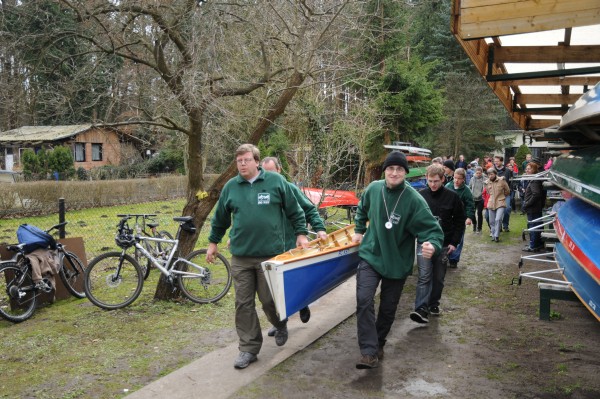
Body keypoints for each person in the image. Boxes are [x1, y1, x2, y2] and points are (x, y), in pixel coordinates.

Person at [206, 144, 310, 369]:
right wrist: (213, 243)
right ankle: (248, 348)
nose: (242, 164)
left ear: (256, 161)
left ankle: (280, 324)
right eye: (238, 161)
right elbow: (220, 218)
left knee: (268, 301)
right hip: (241, 257)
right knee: (243, 304)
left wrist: (301, 234)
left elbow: (295, 210)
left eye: (245, 160)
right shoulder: (231, 188)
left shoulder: (276, 182)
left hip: (269, 257)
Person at [351, 151, 443, 369]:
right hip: (371, 255)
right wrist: (358, 229)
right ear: (385, 171)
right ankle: (368, 351)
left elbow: (433, 230)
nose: (394, 173)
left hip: (397, 262)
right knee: (364, 300)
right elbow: (362, 208)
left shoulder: (413, 199)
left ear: (405, 172)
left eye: (399, 169)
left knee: (388, 309)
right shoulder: (374, 189)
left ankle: (379, 342)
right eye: (390, 168)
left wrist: (432, 244)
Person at [261, 156, 328, 334]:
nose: (268, 176)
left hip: (291, 242)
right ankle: (280, 322)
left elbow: (309, 209)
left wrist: (319, 228)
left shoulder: (289, 188)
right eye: (264, 172)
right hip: (270, 246)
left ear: (279, 170)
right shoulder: (261, 193)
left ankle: (302, 303)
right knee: (273, 288)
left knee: (294, 281)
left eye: (271, 172)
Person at [411, 164, 465, 324]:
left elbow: (459, 221)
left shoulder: (452, 197)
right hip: (424, 242)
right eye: (430, 181)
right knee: (424, 276)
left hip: (444, 244)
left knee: (438, 277)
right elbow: (414, 219)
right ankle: (420, 308)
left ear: (443, 179)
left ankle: (434, 303)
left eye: (436, 181)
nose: (433, 184)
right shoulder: (420, 196)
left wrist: (454, 243)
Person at [445, 168, 474, 268]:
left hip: (460, 218)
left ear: (463, 179)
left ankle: (454, 259)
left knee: (459, 238)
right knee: (447, 236)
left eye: (459, 178)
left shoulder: (466, 191)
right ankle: (446, 255)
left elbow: (470, 205)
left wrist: (469, 217)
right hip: (448, 218)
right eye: (455, 178)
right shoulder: (448, 186)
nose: (456, 180)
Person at [522, 162, 545, 252]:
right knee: (537, 225)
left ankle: (533, 245)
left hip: (533, 208)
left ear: (534, 170)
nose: (527, 170)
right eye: (526, 169)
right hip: (535, 207)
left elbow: (536, 194)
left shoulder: (534, 180)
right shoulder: (533, 179)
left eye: (529, 169)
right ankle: (537, 244)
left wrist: (527, 203)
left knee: (533, 226)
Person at [485, 168, 510, 242]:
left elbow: (507, 190)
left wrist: (502, 196)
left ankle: (496, 235)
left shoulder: (501, 180)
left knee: (498, 219)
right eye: (489, 174)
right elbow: (488, 192)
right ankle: (493, 234)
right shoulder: (487, 182)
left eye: (491, 174)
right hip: (491, 202)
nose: (490, 176)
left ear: (495, 174)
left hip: (500, 202)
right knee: (491, 221)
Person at [494, 155, 513, 232]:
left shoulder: (508, 171)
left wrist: (510, 191)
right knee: (496, 210)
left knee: (507, 209)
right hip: (496, 194)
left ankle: (505, 225)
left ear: (501, 161)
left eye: (497, 161)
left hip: (506, 194)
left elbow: (511, 182)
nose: (495, 163)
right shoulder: (492, 170)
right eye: (494, 161)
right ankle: (498, 226)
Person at [469, 166, 485, 233]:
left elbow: (485, 188)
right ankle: (474, 224)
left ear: (481, 173)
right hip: (473, 198)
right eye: (477, 173)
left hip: (480, 198)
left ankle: (479, 228)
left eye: (479, 173)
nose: (478, 174)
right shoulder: (472, 179)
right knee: (472, 213)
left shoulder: (484, 179)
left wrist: (482, 194)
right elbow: (469, 186)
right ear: (475, 173)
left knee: (479, 213)